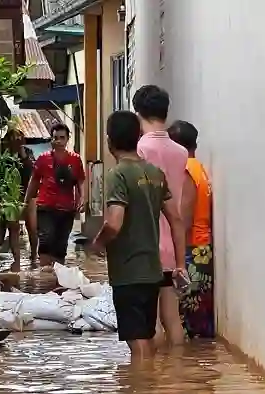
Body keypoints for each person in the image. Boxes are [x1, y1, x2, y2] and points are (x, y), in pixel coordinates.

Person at [91, 111, 186, 359]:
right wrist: (178, 265)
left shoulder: (118, 175)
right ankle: (151, 381)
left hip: (128, 274)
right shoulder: (155, 173)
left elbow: (114, 223)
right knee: (147, 336)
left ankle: (141, 383)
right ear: (138, 137)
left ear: (109, 140)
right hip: (153, 271)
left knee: (138, 344)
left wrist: (97, 244)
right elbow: (176, 219)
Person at [133, 85, 189, 346]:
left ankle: (153, 379)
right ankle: (176, 374)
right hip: (172, 245)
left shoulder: (140, 150)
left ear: (138, 112)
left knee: (150, 321)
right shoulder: (181, 152)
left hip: (147, 244)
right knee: (172, 318)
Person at [168, 120, 215, 338]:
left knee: (189, 320)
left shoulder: (186, 171)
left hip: (191, 250)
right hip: (202, 249)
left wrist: (175, 257)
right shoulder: (200, 168)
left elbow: (183, 219)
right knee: (199, 318)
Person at [24, 124, 86, 267]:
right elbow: (34, 180)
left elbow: (81, 181)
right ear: (51, 139)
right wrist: (26, 202)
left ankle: (57, 278)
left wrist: (83, 198)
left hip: (67, 208)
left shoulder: (75, 160)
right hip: (46, 206)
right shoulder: (43, 159)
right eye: (55, 138)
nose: (58, 141)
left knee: (61, 245)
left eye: (62, 138)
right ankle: (45, 275)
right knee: (46, 240)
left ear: (67, 139)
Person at [0, 129, 38, 270]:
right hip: (10, 194)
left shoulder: (27, 153)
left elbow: (32, 171)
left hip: (28, 193)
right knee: (13, 228)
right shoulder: (3, 155)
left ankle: (34, 255)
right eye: (14, 139)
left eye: (19, 139)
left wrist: (22, 153)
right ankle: (17, 260)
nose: (17, 141)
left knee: (32, 227)